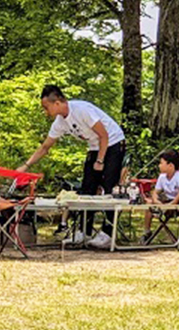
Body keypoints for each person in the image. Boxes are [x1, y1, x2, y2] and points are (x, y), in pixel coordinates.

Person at [16, 84, 125, 249]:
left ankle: (108, 233)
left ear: (57, 103)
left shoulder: (81, 110)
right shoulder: (59, 123)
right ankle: (84, 231)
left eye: (47, 108)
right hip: (95, 146)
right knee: (87, 188)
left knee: (109, 188)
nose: (46, 112)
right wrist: (26, 165)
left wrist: (100, 160)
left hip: (113, 142)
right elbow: (45, 147)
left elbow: (104, 135)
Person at [140, 149, 179, 244]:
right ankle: (147, 231)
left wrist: (174, 202)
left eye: (161, 163)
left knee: (157, 205)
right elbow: (155, 191)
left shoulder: (178, 176)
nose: (159, 165)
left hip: (177, 203)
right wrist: (155, 199)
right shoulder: (162, 177)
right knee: (149, 203)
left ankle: (159, 213)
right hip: (165, 202)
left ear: (170, 166)